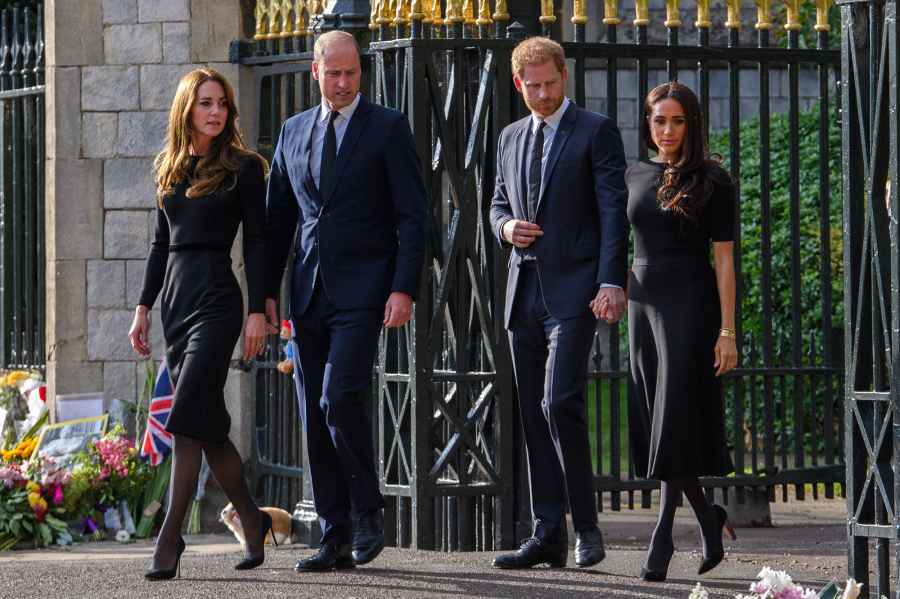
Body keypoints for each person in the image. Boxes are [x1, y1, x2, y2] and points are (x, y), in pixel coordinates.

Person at [264, 30, 426, 572]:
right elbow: (277, 223)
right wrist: (264, 297)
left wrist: (403, 287)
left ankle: (367, 510)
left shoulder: (387, 128)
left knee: (337, 399)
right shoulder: (291, 132)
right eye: (333, 73)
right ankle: (332, 535)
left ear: (362, 72)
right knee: (313, 412)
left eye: (351, 73)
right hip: (307, 294)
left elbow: (412, 214)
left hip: (366, 290)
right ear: (315, 72)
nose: (342, 82)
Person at [129, 67, 276, 580]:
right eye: (205, 103)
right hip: (176, 303)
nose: (216, 112)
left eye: (221, 104)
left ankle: (170, 536)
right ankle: (253, 521)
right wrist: (144, 306)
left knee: (187, 413)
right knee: (206, 424)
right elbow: (159, 244)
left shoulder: (243, 167)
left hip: (217, 301)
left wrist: (259, 308)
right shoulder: (168, 165)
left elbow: (257, 242)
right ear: (187, 109)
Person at [488, 36, 629, 570]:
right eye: (534, 86)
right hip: (522, 293)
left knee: (558, 403)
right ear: (518, 83)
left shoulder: (596, 131)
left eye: (551, 84)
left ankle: (586, 529)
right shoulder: (508, 137)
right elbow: (497, 200)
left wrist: (610, 282)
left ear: (563, 76)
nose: (543, 95)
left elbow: (612, 212)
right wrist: (505, 226)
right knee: (529, 412)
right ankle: (547, 531)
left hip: (575, 294)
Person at [612, 81, 738, 582]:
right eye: (659, 120)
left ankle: (661, 537)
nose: (667, 131)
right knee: (660, 415)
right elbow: (619, 240)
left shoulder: (714, 179)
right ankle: (708, 517)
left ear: (692, 124)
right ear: (648, 123)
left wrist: (727, 331)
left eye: (677, 121)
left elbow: (725, 261)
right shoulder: (633, 174)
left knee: (673, 414)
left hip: (691, 303)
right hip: (644, 302)